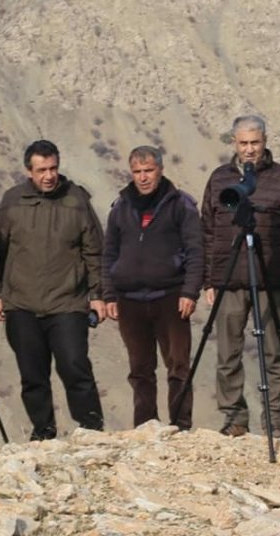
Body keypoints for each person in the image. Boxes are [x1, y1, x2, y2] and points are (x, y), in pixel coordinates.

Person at [201, 115, 280, 438]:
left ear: (265, 141)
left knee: (274, 354)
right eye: (243, 143)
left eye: (255, 143)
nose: (249, 150)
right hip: (228, 280)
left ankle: (274, 423)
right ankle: (234, 418)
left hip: (271, 280)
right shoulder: (220, 179)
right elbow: (206, 230)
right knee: (227, 354)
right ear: (234, 143)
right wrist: (209, 280)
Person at [0, 140, 106, 440]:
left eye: (53, 168)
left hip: (67, 301)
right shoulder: (13, 201)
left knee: (74, 366)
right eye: (42, 170)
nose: (49, 175)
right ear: (29, 171)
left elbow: (95, 250)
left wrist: (98, 295)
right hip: (22, 303)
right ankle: (43, 432)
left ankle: (91, 426)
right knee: (32, 375)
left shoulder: (76, 199)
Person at [101, 145, 203, 430]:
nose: (143, 177)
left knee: (178, 366)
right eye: (137, 172)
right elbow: (109, 253)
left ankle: (180, 426)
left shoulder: (180, 204)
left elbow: (195, 251)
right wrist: (109, 293)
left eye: (148, 171)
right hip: (129, 300)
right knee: (140, 369)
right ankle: (145, 427)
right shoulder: (121, 207)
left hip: (171, 296)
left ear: (160, 169)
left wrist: (189, 291)